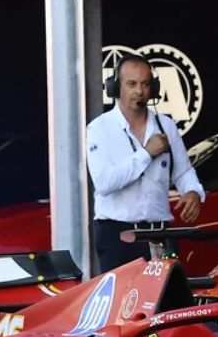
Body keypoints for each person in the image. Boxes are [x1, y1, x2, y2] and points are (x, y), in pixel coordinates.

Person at [86, 54, 204, 272]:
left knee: (165, 301)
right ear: (115, 87)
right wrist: (146, 153)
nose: (139, 91)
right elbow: (104, 183)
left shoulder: (166, 126)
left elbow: (184, 171)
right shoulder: (99, 129)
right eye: (131, 84)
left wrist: (193, 192)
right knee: (121, 303)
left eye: (145, 84)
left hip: (161, 235)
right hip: (118, 236)